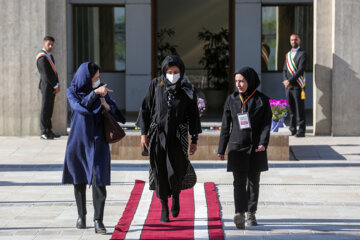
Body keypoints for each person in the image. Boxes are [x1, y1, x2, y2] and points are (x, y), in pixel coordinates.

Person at [136, 55, 202, 222]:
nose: (172, 74)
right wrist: (143, 133)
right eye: (169, 72)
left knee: (176, 171)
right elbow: (145, 108)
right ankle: (164, 206)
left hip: (178, 137)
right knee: (160, 172)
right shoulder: (155, 85)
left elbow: (193, 115)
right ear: (164, 72)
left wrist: (194, 139)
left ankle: (177, 197)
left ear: (181, 72)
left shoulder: (187, 89)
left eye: (176, 72)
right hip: (158, 136)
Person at [62, 62, 125, 234]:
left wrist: (106, 105)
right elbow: (80, 108)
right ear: (85, 78)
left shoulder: (101, 92)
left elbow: (119, 115)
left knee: (100, 179)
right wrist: (94, 94)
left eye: (99, 78)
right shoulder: (72, 91)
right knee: (79, 177)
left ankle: (99, 220)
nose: (98, 81)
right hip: (79, 139)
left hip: (98, 140)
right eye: (95, 78)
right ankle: (81, 216)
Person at [217, 67, 272, 230]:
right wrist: (221, 149)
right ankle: (239, 212)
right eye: (236, 81)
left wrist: (263, 142)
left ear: (250, 81)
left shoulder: (262, 100)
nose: (238, 85)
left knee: (254, 182)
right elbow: (225, 126)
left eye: (242, 81)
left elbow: (266, 125)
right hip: (237, 146)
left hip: (256, 147)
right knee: (238, 182)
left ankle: (251, 212)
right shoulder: (232, 100)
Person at [282, 33, 307, 137]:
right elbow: (284, 70)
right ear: (290, 41)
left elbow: (301, 70)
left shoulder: (303, 54)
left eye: (295, 40)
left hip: (297, 86)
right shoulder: (288, 55)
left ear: (299, 41)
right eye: (292, 40)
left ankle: (301, 130)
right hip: (288, 87)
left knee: (299, 109)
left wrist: (290, 81)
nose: (293, 42)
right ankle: (292, 129)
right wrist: (285, 81)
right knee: (291, 109)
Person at [36, 36, 61, 140]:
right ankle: (43, 131)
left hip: (52, 86)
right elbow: (45, 74)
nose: (50, 46)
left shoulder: (50, 56)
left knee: (50, 109)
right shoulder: (42, 57)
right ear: (44, 44)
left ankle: (49, 130)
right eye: (48, 44)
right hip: (46, 86)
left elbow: (54, 73)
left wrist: (57, 84)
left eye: (52, 44)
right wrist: (55, 85)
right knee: (45, 109)